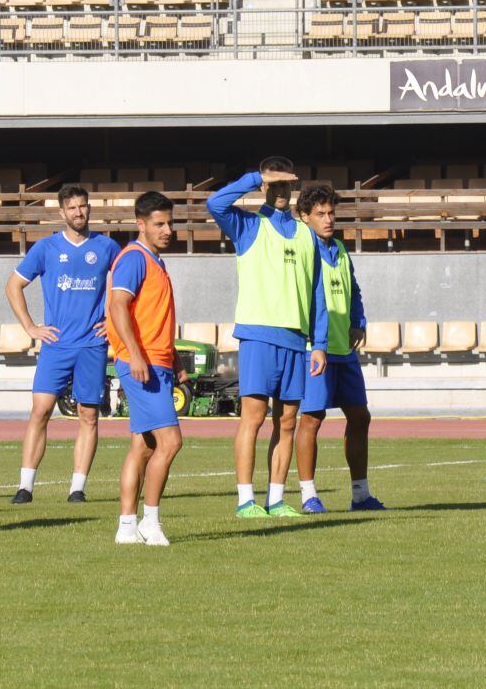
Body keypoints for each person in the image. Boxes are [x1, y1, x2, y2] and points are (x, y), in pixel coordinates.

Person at [206, 157, 328, 519]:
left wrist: (319, 343)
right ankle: (246, 499)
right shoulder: (248, 225)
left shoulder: (308, 234)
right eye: (273, 185)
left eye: (285, 185)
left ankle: (276, 499)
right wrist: (254, 177)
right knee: (253, 418)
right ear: (265, 186)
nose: (280, 191)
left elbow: (318, 292)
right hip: (258, 335)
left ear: (293, 187)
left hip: (295, 339)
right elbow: (214, 203)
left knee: (287, 421)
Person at [273, 185, 384, 513]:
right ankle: (309, 495)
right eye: (320, 214)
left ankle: (361, 495)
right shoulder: (301, 251)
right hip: (312, 350)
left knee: (360, 416)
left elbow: (354, 290)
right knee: (312, 419)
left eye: (331, 212)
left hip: (343, 350)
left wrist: (358, 320)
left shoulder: (340, 249)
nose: (328, 219)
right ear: (303, 217)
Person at [6, 184, 119, 504]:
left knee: (88, 415)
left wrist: (112, 323)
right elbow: (13, 286)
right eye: (72, 208)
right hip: (56, 345)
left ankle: (77, 489)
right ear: (61, 212)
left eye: (83, 206)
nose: (79, 212)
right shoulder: (46, 248)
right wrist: (30, 327)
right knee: (40, 411)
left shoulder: (107, 247)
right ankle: (25, 486)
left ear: (89, 209)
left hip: (92, 346)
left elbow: (127, 286)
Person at [107, 191, 188, 546]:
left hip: (158, 361)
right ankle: (150, 521)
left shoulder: (155, 261)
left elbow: (152, 317)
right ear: (141, 225)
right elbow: (118, 306)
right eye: (159, 224)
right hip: (143, 364)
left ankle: (127, 526)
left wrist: (175, 357)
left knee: (143, 447)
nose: (167, 229)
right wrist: (135, 355)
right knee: (170, 442)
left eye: (170, 222)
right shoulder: (134, 259)